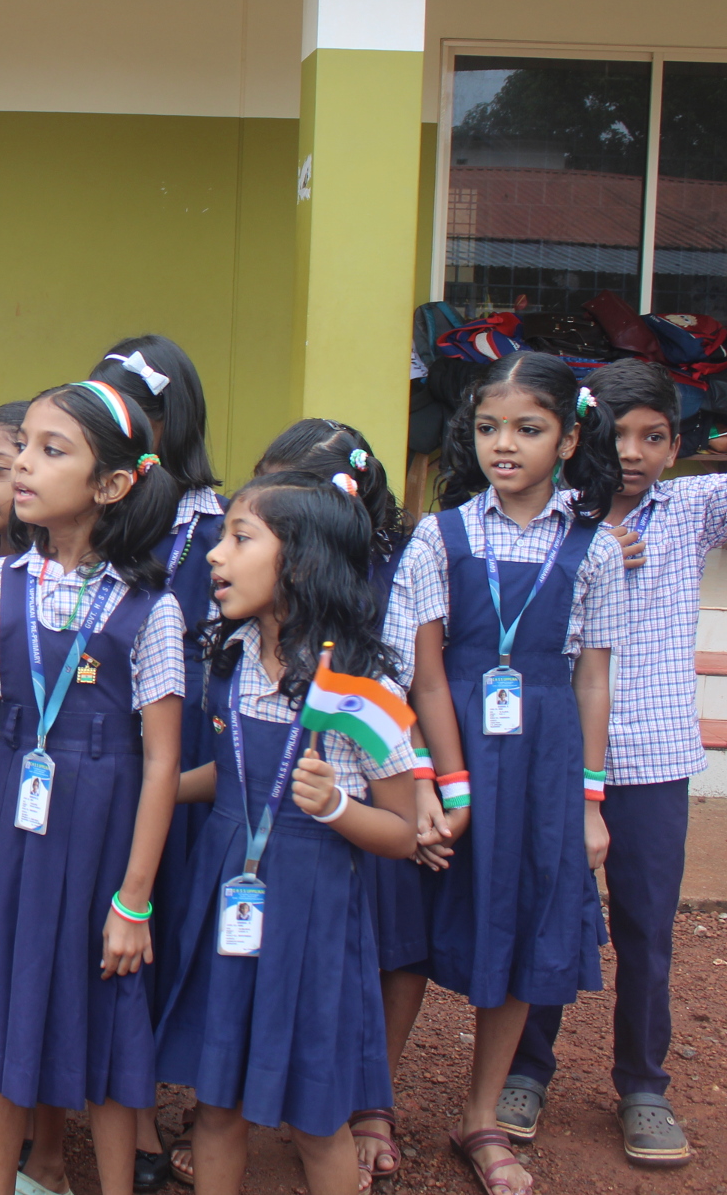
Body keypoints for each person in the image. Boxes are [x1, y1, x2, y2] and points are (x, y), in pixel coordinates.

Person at [499, 332, 727, 1170]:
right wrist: (586, 560)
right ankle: (526, 1071)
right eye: (619, 436)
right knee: (550, 917)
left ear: (677, 446)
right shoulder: (554, 517)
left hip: (654, 759)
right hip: (559, 759)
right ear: (583, 439)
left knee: (645, 929)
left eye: (654, 437)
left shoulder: (693, 510)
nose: (634, 454)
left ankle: (643, 1085)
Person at [380, 351, 625, 1195]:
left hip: (544, 767)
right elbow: (422, 674)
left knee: (521, 930)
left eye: (528, 428)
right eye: (488, 428)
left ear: (568, 439)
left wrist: (590, 804)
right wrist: (436, 785)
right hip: (448, 753)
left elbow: (593, 680)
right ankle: (374, 1106)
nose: (504, 445)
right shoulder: (439, 535)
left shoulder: (594, 547)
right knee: (411, 930)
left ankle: (481, 1117)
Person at [0, 382, 185, 1195]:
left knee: (106, 1013)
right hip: (14, 814)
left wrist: (133, 901)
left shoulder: (150, 608)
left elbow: (162, 762)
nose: (23, 467)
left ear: (110, 484)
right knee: (5, 1008)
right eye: (24, 449)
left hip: (104, 826)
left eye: (51, 451)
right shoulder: (0, 584)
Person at [152, 473, 421, 1195]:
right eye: (221, 537)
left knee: (316, 1118)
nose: (216, 554)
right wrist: (156, 791)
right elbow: (234, 775)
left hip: (312, 916)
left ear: (301, 562)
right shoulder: (229, 659)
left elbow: (403, 832)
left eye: (241, 538)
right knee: (215, 1105)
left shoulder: (362, 691)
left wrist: (336, 808)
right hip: (226, 898)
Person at [251, 420, 426, 1187]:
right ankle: (255, 1099)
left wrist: (431, 787)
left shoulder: (400, 563)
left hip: (377, 773)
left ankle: (365, 1102)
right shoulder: (265, 598)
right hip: (297, 787)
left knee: (387, 938)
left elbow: (419, 681)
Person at [92, 335, 224, 1189]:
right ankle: (131, 1115)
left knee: (175, 911)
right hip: (105, 734)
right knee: (119, 906)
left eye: (137, 407)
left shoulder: (220, 521)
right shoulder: (96, 506)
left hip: (192, 736)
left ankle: (194, 1105)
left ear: (173, 419)